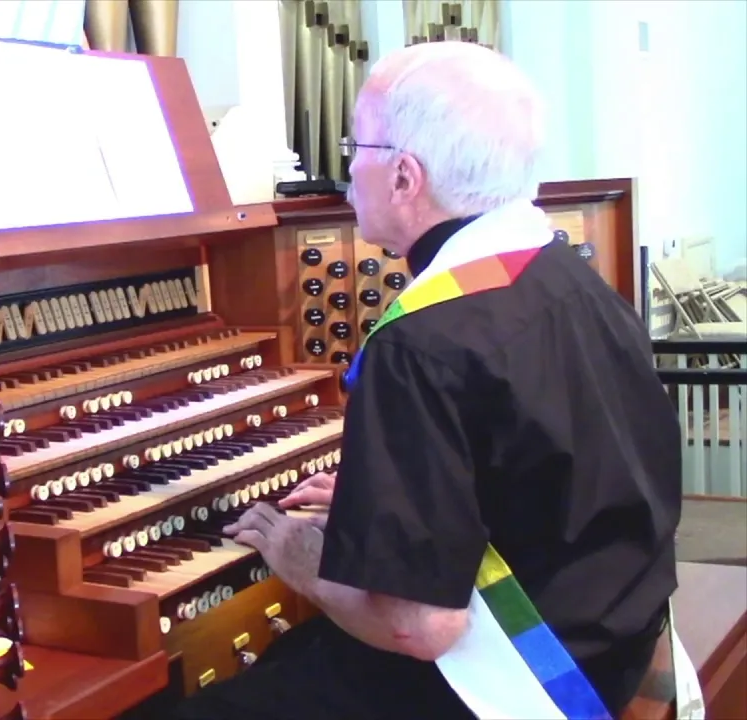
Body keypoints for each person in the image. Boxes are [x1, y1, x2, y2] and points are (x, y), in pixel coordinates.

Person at [172, 41, 697, 720]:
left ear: (404, 177)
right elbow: (558, 474)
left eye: (353, 147)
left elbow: (417, 628)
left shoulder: (423, 342)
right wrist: (387, 507)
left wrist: (301, 558)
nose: (345, 172)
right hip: (615, 637)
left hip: (520, 685)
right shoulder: (569, 278)